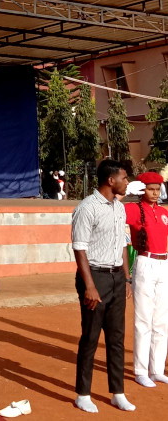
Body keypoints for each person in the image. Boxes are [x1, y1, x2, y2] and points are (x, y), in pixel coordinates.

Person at [71, 159, 135, 413]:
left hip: (117, 277)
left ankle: (117, 392)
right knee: (90, 336)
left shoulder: (119, 207)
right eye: (124, 177)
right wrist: (89, 285)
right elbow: (79, 248)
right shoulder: (87, 208)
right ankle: (83, 394)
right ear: (111, 180)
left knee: (116, 337)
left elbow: (123, 244)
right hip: (94, 277)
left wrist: (126, 278)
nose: (127, 181)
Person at [124, 171, 168, 388]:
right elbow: (110, 211)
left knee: (161, 320)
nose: (154, 193)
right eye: (150, 189)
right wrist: (122, 196)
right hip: (144, 262)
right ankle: (141, 370)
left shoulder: (162, 212)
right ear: (142, 189)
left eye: (157, 189)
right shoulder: (133, 209)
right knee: (143, 319)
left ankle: (157, 368)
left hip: (164, 263)